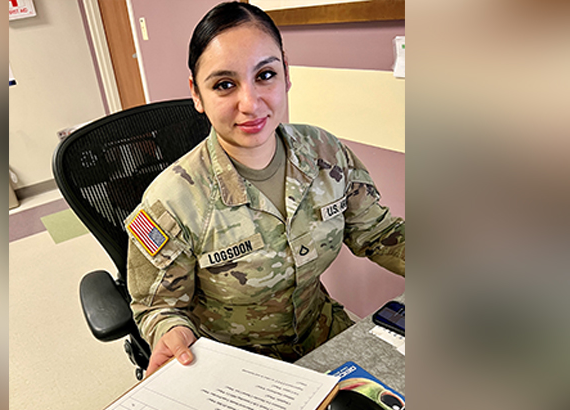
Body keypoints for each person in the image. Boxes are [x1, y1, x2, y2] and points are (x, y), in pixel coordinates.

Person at [124, 1, 405, 377]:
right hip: (236, 369)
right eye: (225, 85)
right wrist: (169, 331)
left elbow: (380, 234)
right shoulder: (171, 201)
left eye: (265, 75)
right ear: (196, 94)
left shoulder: (325, 153)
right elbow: (158, 306)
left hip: (322, 336)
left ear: (286, 74)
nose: (250, 103)